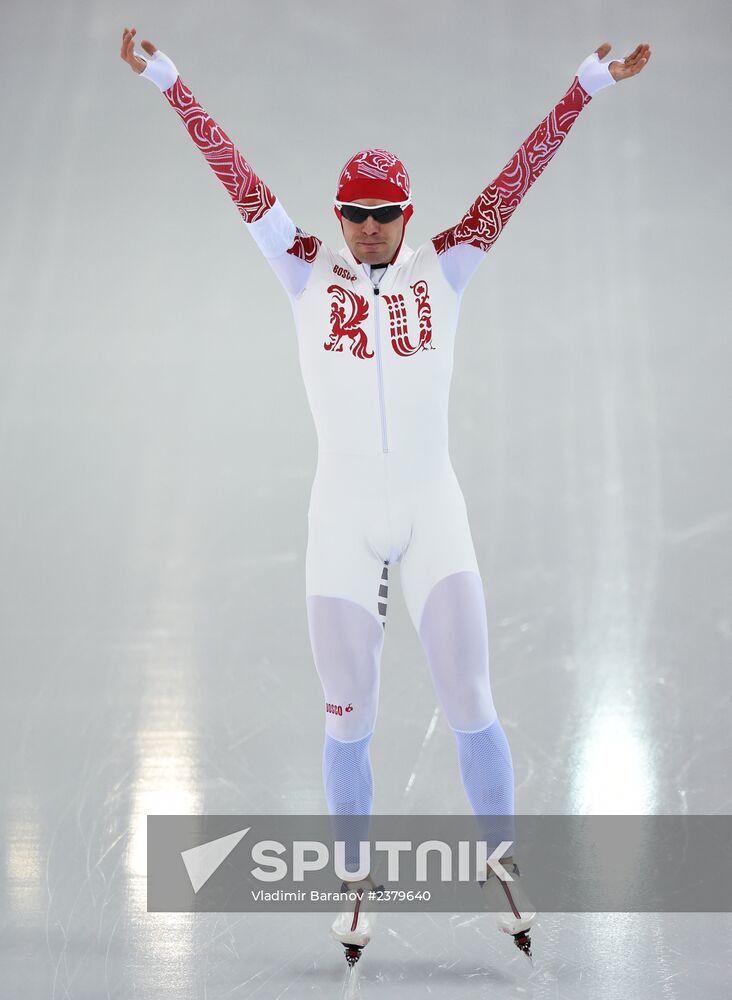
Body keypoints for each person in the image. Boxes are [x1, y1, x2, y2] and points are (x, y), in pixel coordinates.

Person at [120, 27, 651, 967]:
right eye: (355, 211)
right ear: (337, 211)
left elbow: (516, 180)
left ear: (410, 212)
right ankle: (356, 887)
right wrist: (166, 77)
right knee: (348, 712)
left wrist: (585, 84)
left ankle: (505, 865)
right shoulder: (301, 265)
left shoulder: (447, 265)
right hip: (342, 524)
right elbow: (231, 170)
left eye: (384, 211)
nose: (368, 226)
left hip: (431, 511)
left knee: (470, 699)